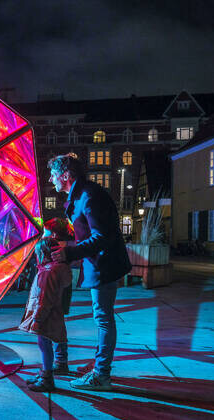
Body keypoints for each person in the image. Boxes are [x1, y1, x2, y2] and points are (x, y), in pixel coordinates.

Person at [48, 154, 132, 391]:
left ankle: (101, 375)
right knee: (102, 317)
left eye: (53, 174)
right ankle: (100, 370)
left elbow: (102, 236)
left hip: (103, 265)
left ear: (65, 175)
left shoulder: (88, 196)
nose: (51, 178)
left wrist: (69, 252)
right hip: (99, 264)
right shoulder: (83, 195)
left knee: (103, 318)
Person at [19, 222, 73, 392]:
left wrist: (37, 319)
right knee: (46, 344)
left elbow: (45, 299)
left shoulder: (48, 273)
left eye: (37, 255)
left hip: (45, 316)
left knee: (44, 344)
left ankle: (47, 377)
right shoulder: (56, 269)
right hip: (52, 314)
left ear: (43, 253)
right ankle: (45, 371)